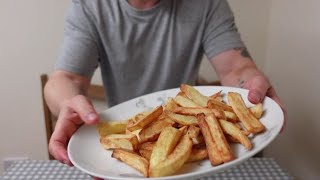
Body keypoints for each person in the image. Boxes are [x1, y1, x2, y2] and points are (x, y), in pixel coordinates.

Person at [45, 0, 286, 171]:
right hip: (126, 152)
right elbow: (65, 79)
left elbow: (236, 68)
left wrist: (250, 85)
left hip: (193, 147)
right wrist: (67, 102)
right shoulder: (89, 6)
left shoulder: (208, 4)